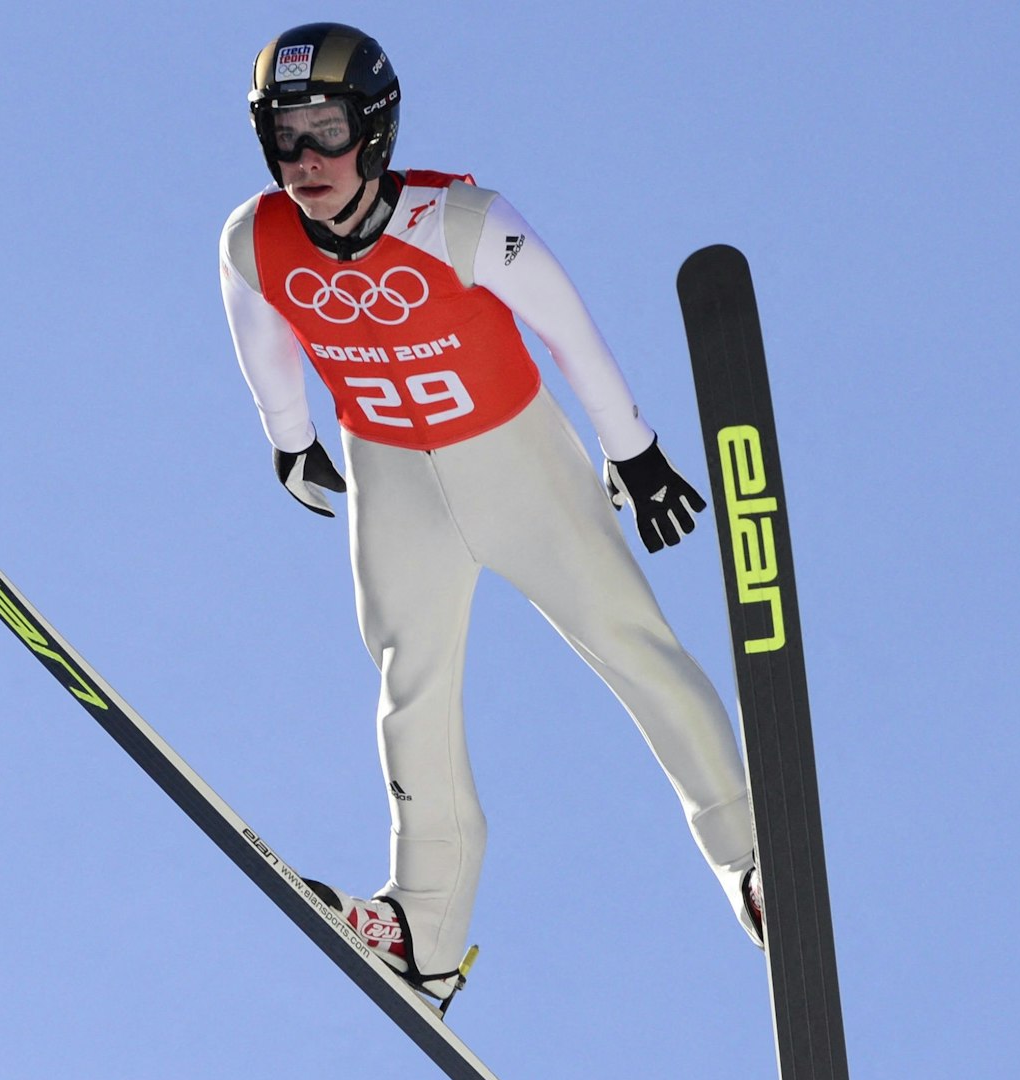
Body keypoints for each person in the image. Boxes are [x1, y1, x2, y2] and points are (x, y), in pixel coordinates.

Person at [218, 22, 763, 1003]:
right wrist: (289, 433)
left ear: (374, 129)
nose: (307, 162)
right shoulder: (253, 238)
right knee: (409, 687)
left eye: (328, 131)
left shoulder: (462, 221)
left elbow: (567, 330)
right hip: (390, 475)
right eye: (284, 136)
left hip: (516, 463)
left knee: (631, 647)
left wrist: (632, 454)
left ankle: (752, 863)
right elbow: (255, 324)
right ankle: (421, 931)